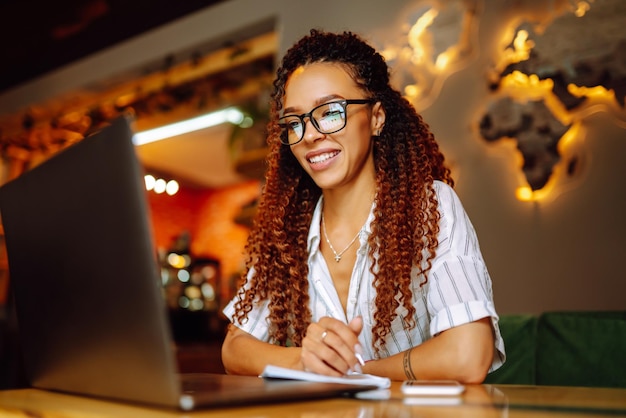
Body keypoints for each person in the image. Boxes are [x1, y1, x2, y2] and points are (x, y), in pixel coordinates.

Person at [222, 29, 505, 382]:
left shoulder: (428, 207)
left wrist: (356, 371)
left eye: (330, 112)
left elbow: (468, 355)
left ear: (376, 118)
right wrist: (306, 361)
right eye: (294, 122)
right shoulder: (287, 230)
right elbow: (234, 347)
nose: (310, 135)